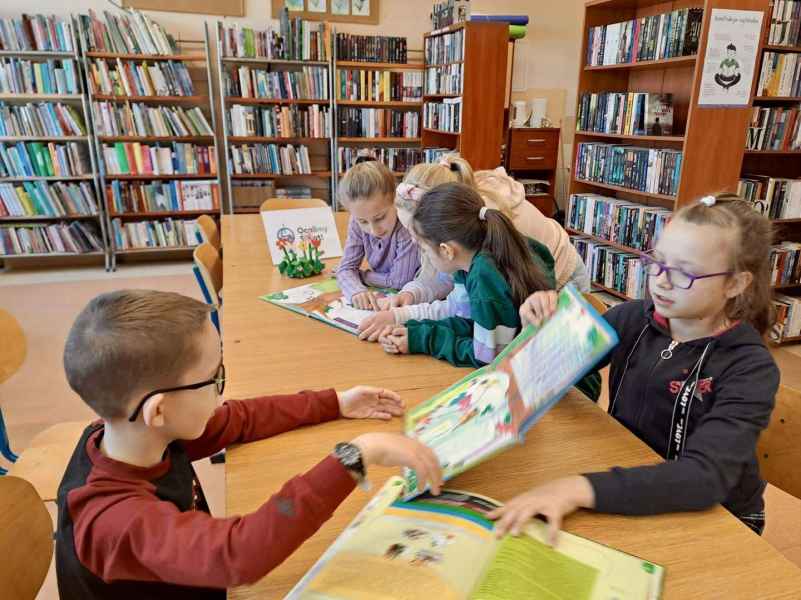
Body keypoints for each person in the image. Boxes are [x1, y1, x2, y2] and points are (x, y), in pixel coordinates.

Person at [56, 290, 442, 599]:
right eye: (214, 378)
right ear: (159, 410)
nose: (223, 394)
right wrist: (354, 455)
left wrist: (336, 402)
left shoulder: (135, 431)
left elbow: (240, 419)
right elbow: (238, 555)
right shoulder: (112, 521)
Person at [490, 194, 778, 542]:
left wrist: (576, 487)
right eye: (657, 262)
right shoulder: (633, 318)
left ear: (735, 284)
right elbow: (544, 374)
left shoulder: (749, 367)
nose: (662, 281)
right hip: (631, 476)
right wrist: (538, 326)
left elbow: (705, 478)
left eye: (685, 272)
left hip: (720, 516)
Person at [358, 156, 589, 342]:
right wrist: (410, 299)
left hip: (562, 279)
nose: (412, 238)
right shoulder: (464, 236)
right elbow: (456, 300)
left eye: (414, 233)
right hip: (520, 307)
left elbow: (488, 348)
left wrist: (415, 328)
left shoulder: (486, 250)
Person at [379, 182, 556, 368]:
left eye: (424, 249)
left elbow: (486, 357)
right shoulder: (472, 259)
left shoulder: (484, 278)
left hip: (537, 371)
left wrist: (423, 340)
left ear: (447, 250)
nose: (424, 256)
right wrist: (415, 331)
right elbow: (469, 322)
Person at [335, 158, 420, 310]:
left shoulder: (406, 226)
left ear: (396, 200)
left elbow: (399, 281)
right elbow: (345, 268)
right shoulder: (356, 220)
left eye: (380, 218)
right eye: (363, 222)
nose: (374, 231)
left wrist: (361, 276)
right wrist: (356, 291)